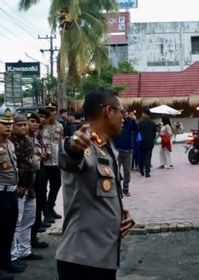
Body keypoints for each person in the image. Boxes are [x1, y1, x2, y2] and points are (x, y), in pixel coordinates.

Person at [56, 87, 135, 280]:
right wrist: (71, 146)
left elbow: (100, 193)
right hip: (82, 261)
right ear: (108, 111)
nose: (123, 117)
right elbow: (69, 156)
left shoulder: (107, 149)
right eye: (121, 111)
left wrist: (119, 213)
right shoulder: (84, 144)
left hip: (102, 258)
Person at [10, 114, 43, 266]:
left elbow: (33, 163)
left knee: (28, 220)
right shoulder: (9, 142)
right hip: (17, 188)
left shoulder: (29, 140)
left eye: (25, 124)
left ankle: (25, 251)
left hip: (30, 187)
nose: (24, 127)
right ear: (13, 126)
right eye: (20, 125)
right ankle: (13, 256)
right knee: (16, 223)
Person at [0, 108, 22, 280]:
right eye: (4, 124)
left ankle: (6, 262)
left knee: (9, 230)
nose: (8, 127)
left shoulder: (10, 144)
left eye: (10, 124)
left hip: (12, 192)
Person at [29, 110, 50, 249]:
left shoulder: (36, 136)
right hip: (30, 175)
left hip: (39, 170)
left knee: (40, 201)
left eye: (36, 122)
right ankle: (29, 239)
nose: (34, 124)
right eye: (32, 121)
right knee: (30, 209)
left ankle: (33, 237)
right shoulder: (22, 139)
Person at [41, 103, 64, 224]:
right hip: (43, 163)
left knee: (56, 185)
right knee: (43, 188)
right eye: (48, 110)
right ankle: (45, 213)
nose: (50, 112)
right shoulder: (41, 126)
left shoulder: (60, 126)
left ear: (56, 112)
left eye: (52, 110)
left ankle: (50, 207)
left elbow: (60, 144)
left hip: (55, 162)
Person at [113, 109, 138, 196]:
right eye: (123, 113)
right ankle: (117, 189)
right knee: (116, 170)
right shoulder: (115, 122)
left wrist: (134, 119)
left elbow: (136, 129)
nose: (124, 115)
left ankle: (126, 189)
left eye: (126, 113)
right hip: (117, 150)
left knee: (127, 171)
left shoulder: (131, 122)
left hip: (128, 150)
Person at [138, 109, 156, 177]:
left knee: (141, 157)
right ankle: (147, 173)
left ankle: (141, 171)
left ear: (144, 114)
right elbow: (154, 133)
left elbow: (137, 132)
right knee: (148, 157)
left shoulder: (140, 122)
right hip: (150, 142)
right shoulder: (153, 123)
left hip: (141, 142)